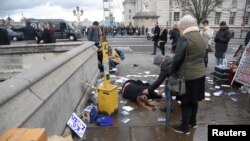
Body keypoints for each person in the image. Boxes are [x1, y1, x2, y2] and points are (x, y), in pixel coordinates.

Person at [170, 15, 207, 134]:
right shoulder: (201, 37)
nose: (180, 29)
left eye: (181, 27)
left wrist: (171, 71)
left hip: (188, 76)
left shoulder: (185, 38)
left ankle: (184, 127)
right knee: (194, 100)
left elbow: (177, 59)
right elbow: (205, 57)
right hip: (200, 74)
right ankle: (193, 123)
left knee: (186, 102)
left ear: (185, 25)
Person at [142, 54, 173, 128]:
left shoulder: (165, 68)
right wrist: (164, 89)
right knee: (167, 91)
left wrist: (149, 90)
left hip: (175, 83)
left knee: (168, 97)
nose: (157, 66)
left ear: (160, 62)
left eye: (157, 64)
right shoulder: (169, 60)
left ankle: (168, 110)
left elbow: (158, 81)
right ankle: (169, 108)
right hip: (175, 81)